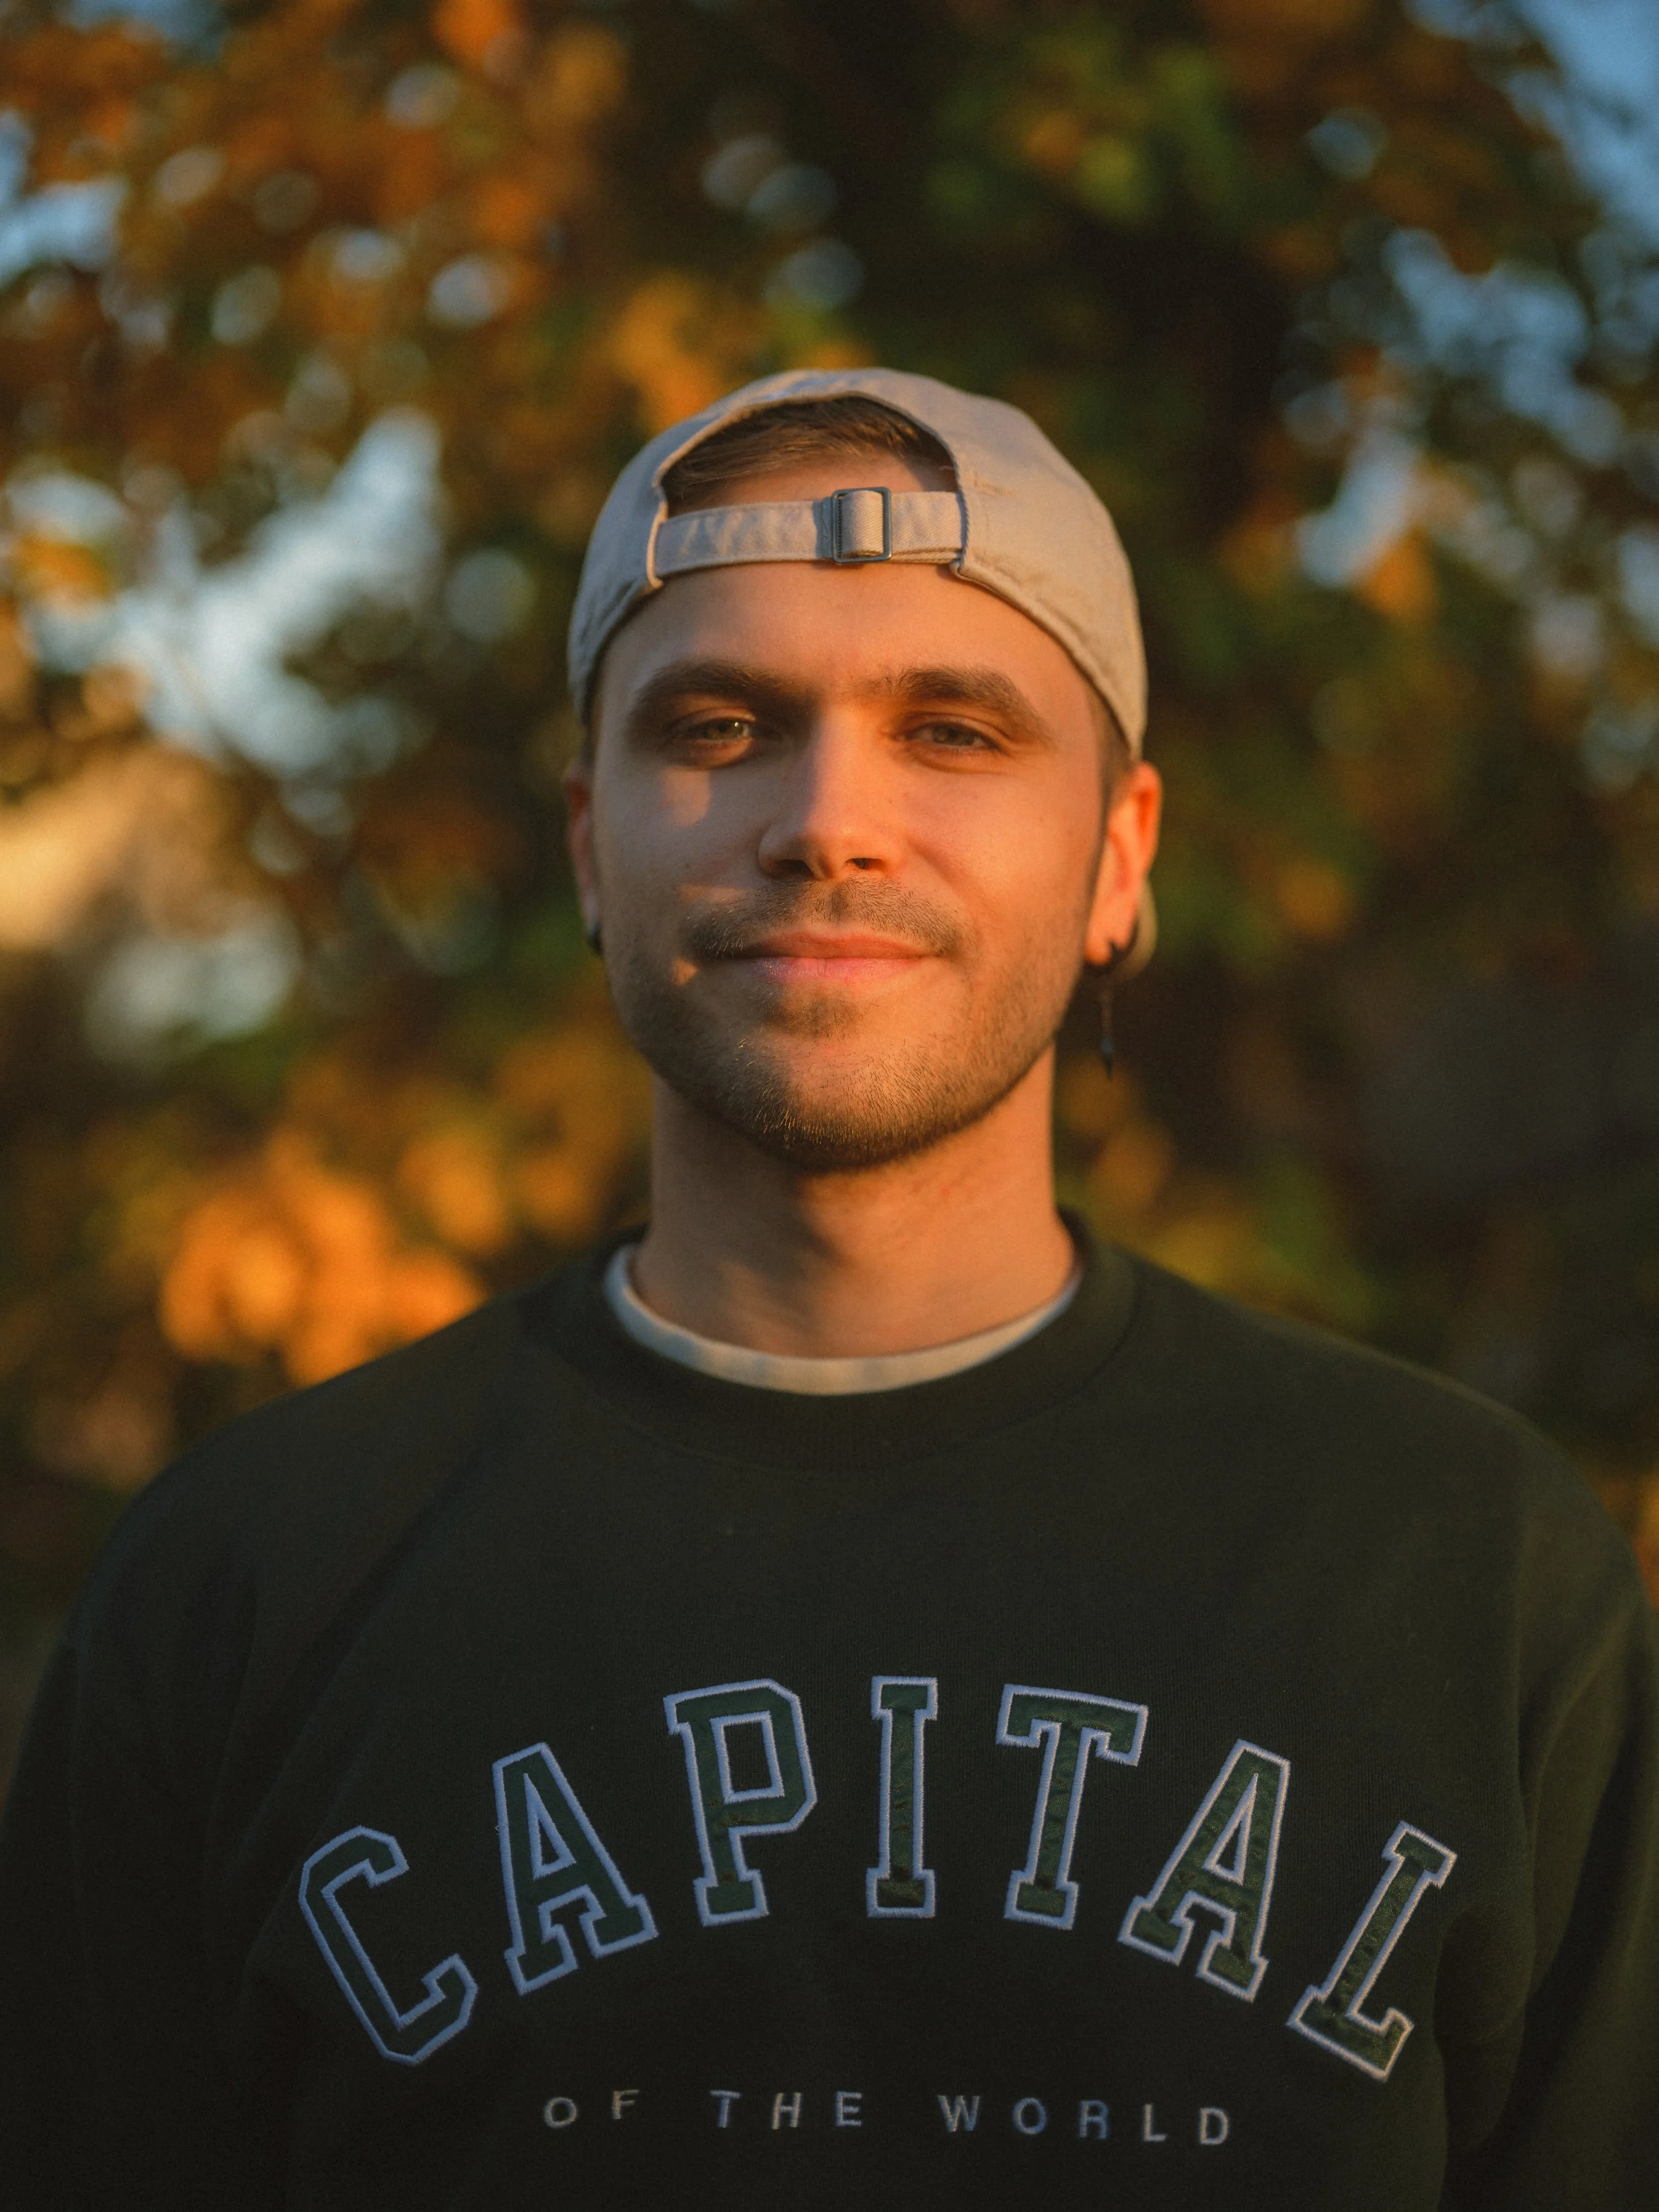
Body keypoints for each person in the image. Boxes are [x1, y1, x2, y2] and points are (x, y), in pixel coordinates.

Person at [0, 368, 1654, 2212]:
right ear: (585, 846)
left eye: (953, 729)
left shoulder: (1473, 1573)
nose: (827, 822)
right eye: (718, 720)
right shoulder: (242, 1584)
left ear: (1120, 856)